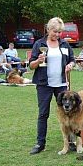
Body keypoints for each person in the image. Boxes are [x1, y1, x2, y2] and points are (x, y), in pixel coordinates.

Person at [28, 17, 75, 155]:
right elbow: (31, 66)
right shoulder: (39, 44)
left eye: (60, 32)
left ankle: (71, 141)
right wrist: (38, 60)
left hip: (61, 84)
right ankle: (40, 143)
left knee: (69, 112)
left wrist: (70, 64)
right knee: (43, 113)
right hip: (44, 84)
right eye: (55, 31)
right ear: (48, 29)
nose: (58, 35)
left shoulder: (65, 44)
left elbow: (72, 59)